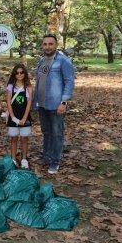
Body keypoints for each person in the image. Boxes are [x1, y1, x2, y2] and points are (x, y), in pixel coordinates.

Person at [33, 34, 75, 174]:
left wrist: (63, 102)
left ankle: (55, 161)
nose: (47, 46)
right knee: (46, 132)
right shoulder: (42, 61)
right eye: (45, 44)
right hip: (42, 104)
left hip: (56, 104)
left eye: (50, 44)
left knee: (57, 133)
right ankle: (47, 156)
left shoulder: (63, 61)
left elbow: (69, 81)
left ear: (56, 45)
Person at [6, 64, 33, 169]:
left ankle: (24, 159)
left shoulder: (29, 87)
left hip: (24, 117)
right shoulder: (10, 87)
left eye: (21, 72)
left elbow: (29, 103)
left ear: (25, 74)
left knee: (24, 139)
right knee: (13, 138)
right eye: (17, 73)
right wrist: (13, 117)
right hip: (13, 117)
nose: (19, 74)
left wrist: (24, 118)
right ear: (14, 74)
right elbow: (8, 102)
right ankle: (13, 158)